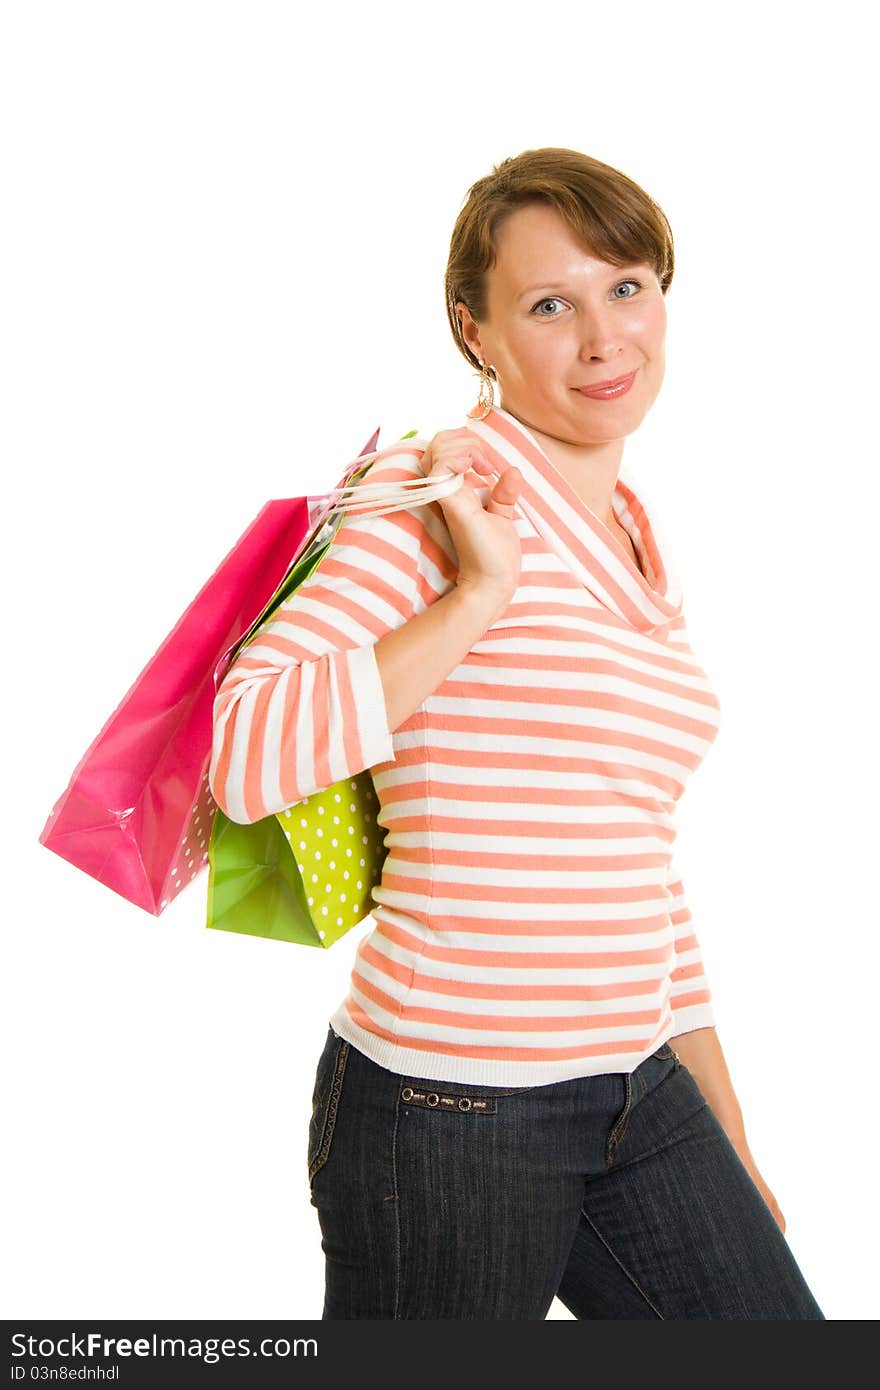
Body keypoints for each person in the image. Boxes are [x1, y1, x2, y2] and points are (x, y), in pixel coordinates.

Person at [209, 147, 825, 1320]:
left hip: (638, 1093)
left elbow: (630, 844)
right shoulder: (433, 500)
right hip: (451, 1113)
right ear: (476, 332)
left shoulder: (630, 529)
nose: (606, 339)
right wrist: (473, 597)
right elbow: (241, 757)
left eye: (627, 287)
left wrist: (723, 1122)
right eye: (551, 304)